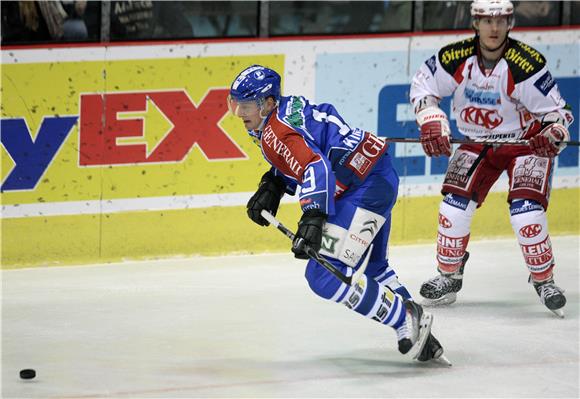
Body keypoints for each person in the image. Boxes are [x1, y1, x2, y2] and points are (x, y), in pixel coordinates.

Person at [228, 64, 447, 363]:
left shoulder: (274, 131)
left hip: (365, 188)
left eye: (247, 105)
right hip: (376, 175)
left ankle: (403, 316)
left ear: (268, 103)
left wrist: (313, 218)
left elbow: (315, 166)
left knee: (323, 274)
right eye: (235, 104)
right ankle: (423, 335)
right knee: (375, 268)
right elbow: (312, 148)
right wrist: (275, 182)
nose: (239, 113)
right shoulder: (286, 111)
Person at [409, 0, 573, 317]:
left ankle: (544, 279)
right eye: (486, 20)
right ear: (475, 23)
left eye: (500, 21)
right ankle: (449, 275)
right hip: (477, 142)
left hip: (525, 144)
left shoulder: (525, 62)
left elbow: (557, 114)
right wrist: (430, 117)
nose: (493, 28)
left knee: (526, 214)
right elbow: (423, 87)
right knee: (452, 209)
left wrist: (553, 132)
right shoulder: (453, 57)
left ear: (510, 22)